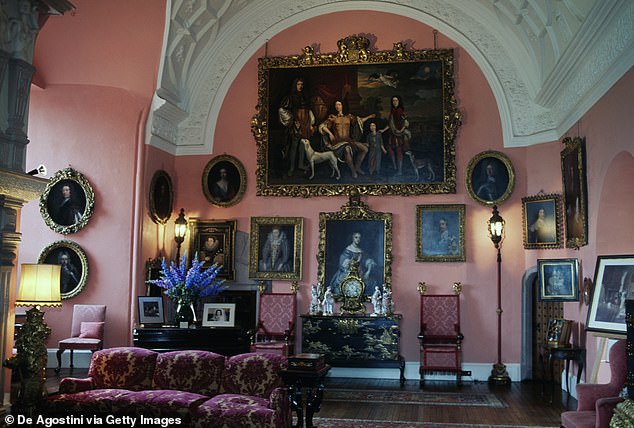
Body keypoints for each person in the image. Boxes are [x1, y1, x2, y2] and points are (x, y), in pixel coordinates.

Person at [318, 100, 375, 178]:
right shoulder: (333, 118)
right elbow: (322, 126)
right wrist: (330, 133)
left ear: (342, 106)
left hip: (348, 140)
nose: (337, 106)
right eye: (336, 105)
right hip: (338, 142)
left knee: (365, 149)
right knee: (347, 149)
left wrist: (369, 117)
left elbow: (359, 121)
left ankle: (357, 167)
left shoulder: (349, 117)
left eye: (339, 104)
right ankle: (353, 171)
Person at [279, 77, 314, 176]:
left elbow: (309, 110)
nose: (300, 86)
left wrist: (311, 123)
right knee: (294, 146)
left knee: (303, 145)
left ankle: (301, 164)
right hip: (297, 122)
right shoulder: (290, 97)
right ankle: (291, 168)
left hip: (306, 122)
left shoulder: (305, 96)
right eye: (298, 84)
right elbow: (282, 110)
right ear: (295, 85)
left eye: (302, 84)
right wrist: (292, 120)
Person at [384, 95, 411, 176]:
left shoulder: (400, 110)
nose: (394, 102)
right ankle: (395, 167)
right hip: (393, 133)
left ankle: (399, 171)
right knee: (389, 148)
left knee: (398, 150)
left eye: (396, 100)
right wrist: (383, 130)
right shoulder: (393, 110)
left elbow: (405, 122)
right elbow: (390, 123)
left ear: (399, 102)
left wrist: (401, 130)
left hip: (398, 134)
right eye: (393, 101)